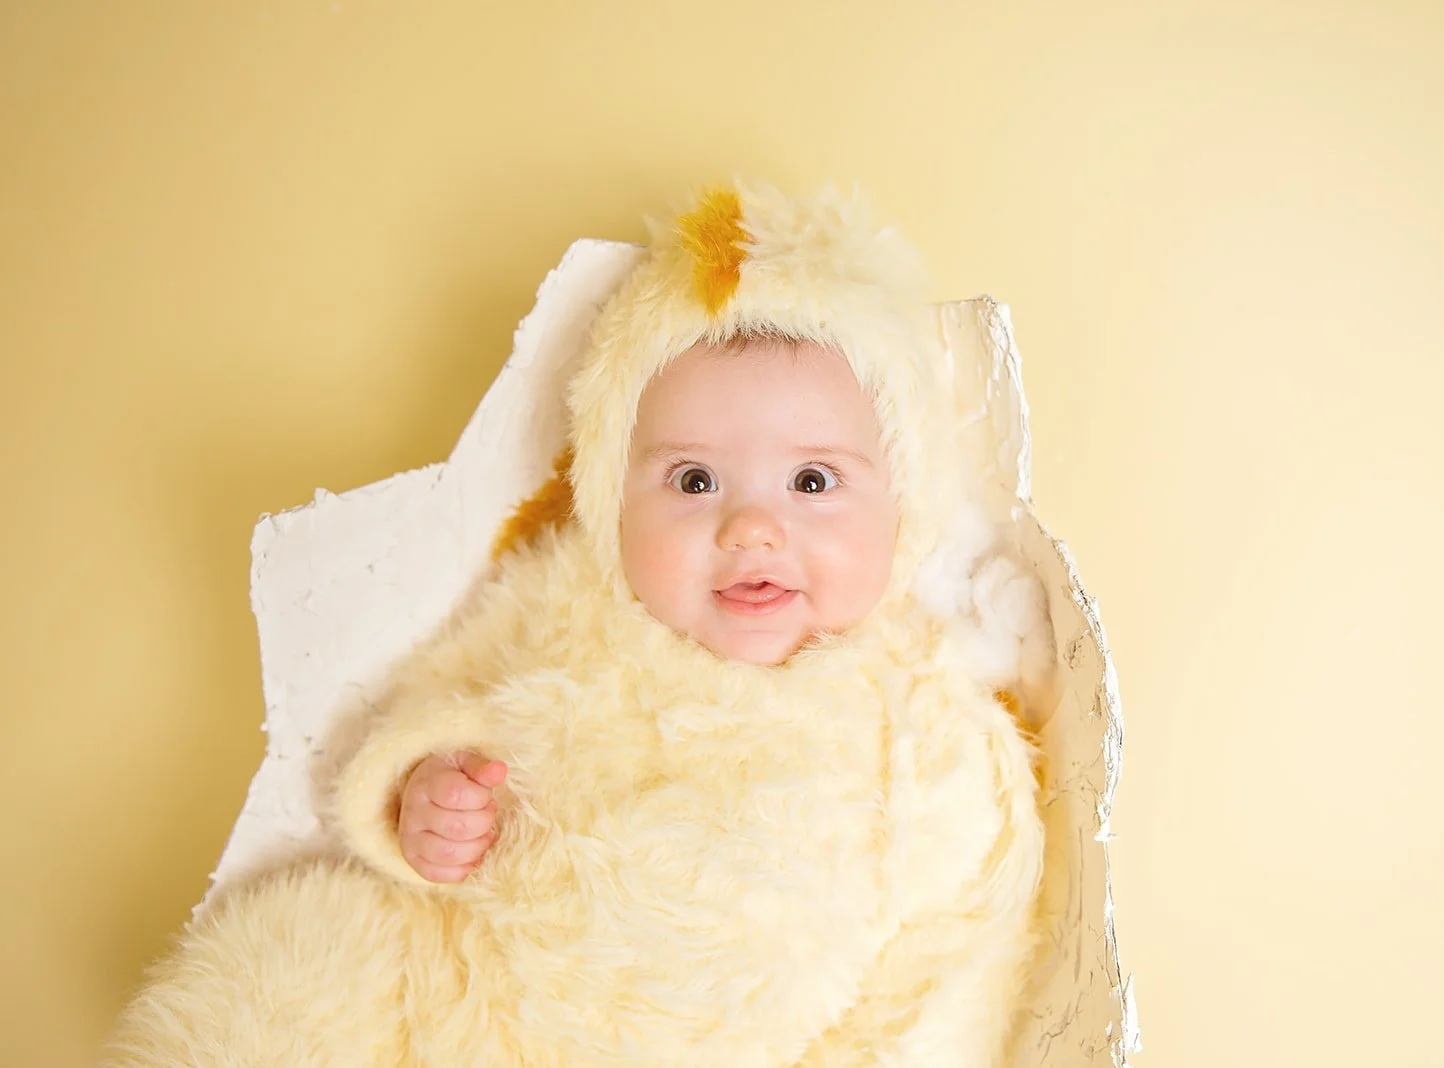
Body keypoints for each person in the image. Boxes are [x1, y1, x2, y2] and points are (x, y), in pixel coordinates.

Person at [107, 182, 1052, 1067]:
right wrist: (424, 796)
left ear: (901, 509)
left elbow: (950, 974)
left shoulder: (924, 718)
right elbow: (444, 702)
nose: (751, 527)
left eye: (813, 481)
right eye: (693, 481)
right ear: (611, 500)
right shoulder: (568, 605)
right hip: (472, 987)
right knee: (289, 970)